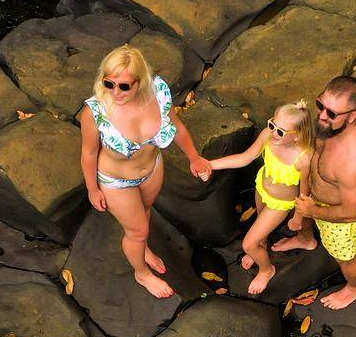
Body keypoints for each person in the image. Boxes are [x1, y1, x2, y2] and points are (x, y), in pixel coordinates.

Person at [79, 45, 212, 299]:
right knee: (137, 230)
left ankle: (143, 247)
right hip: (117, 181)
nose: (115, 92)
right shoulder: (95, 112)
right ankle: (141, 272)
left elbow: (177, 126)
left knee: (145, 212)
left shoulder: (159, 92)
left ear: (140, 82)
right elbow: (88, 154)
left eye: (124, 86)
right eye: (109, 84)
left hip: (151, 169)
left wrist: (194, 157)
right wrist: (92, 188)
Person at [274, 75, 356, 309]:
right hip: (316, 198)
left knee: (345, 257)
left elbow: (351, 213)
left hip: (339, 217)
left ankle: (354, 287)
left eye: (332, 113)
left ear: (353, 115)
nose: (322, 116)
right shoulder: (334, 122)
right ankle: (305, 239)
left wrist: (313, 210)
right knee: (303, 213)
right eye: (321, 105)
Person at [206, 100, 313, 295]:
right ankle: (259, 250)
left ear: (297, 136)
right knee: (259, 228)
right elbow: (244, 158)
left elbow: (304, 192)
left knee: (248, 243)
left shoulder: (303, 159)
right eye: (272, 125)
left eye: (280, 131)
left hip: (280, 204)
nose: (273, 133)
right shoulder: (267, 136)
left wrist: (298, 216)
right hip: (261, 188)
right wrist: (210, 165)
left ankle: (266, 269)